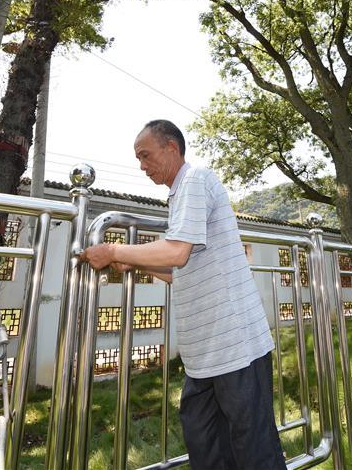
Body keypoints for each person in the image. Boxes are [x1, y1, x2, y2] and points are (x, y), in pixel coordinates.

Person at [80, 119, 285, 469]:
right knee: (207, 449)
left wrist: (114, 251)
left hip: (236, 346)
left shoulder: (195, 180)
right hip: (202, 356)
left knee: (253, 451)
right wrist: (137, 263)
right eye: (138, 159)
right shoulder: (179, 197)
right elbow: (181, 270)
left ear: (171, 148)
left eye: (145, 155)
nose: (142, 166)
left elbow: (176, 252)